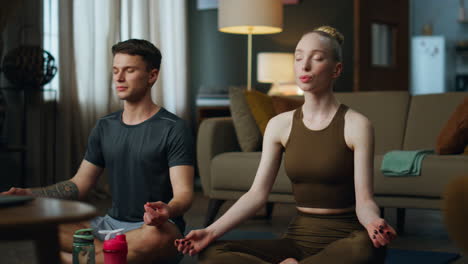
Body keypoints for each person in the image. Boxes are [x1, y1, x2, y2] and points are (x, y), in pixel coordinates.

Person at [175, 26, 397, 264]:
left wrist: (373, 222)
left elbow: (364, 201)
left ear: (336, 69)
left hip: (346, 241)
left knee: (364, 249)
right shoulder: (279, 125)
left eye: (317, 58)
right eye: (299, 57)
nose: (305, 65)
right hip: (297, 240)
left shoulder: (357, 125)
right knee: (211, 253)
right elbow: (256, 195)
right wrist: (210, 231)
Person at [1, 39, 195, 264]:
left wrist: (167, 211)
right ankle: (106, 256)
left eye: (129, 70)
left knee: (153, 238)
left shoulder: (174, 128)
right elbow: (78, 185)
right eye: (115, 71)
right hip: (108, 226)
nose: (119, 78)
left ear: (152, 76)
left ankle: (75, 258)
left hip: (154, 228)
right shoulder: (104, 126)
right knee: (50, 223)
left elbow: (184, 195)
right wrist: (29, 194)